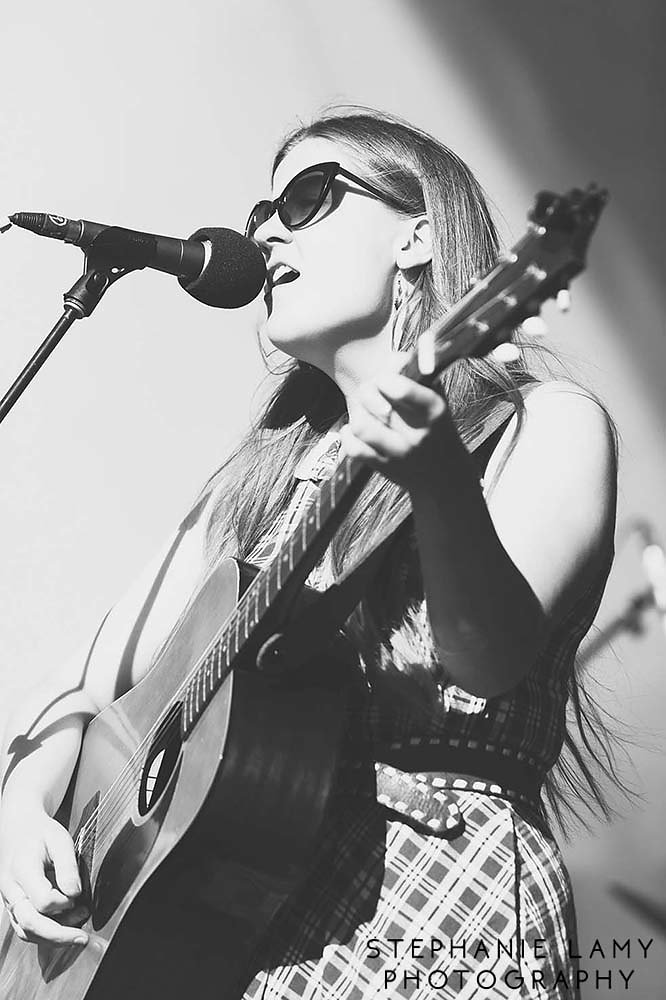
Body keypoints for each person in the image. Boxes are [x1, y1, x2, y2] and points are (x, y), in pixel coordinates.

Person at [0, 107, 617, 999]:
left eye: (306, 198)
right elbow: (90, 686)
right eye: (261, 215)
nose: (267, 234)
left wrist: (439, 481)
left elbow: (489, 662)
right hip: (225, 924)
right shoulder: (259, 478)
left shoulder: (542, 423)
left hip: (431, 901)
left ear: (418, 235)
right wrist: (20, 811)